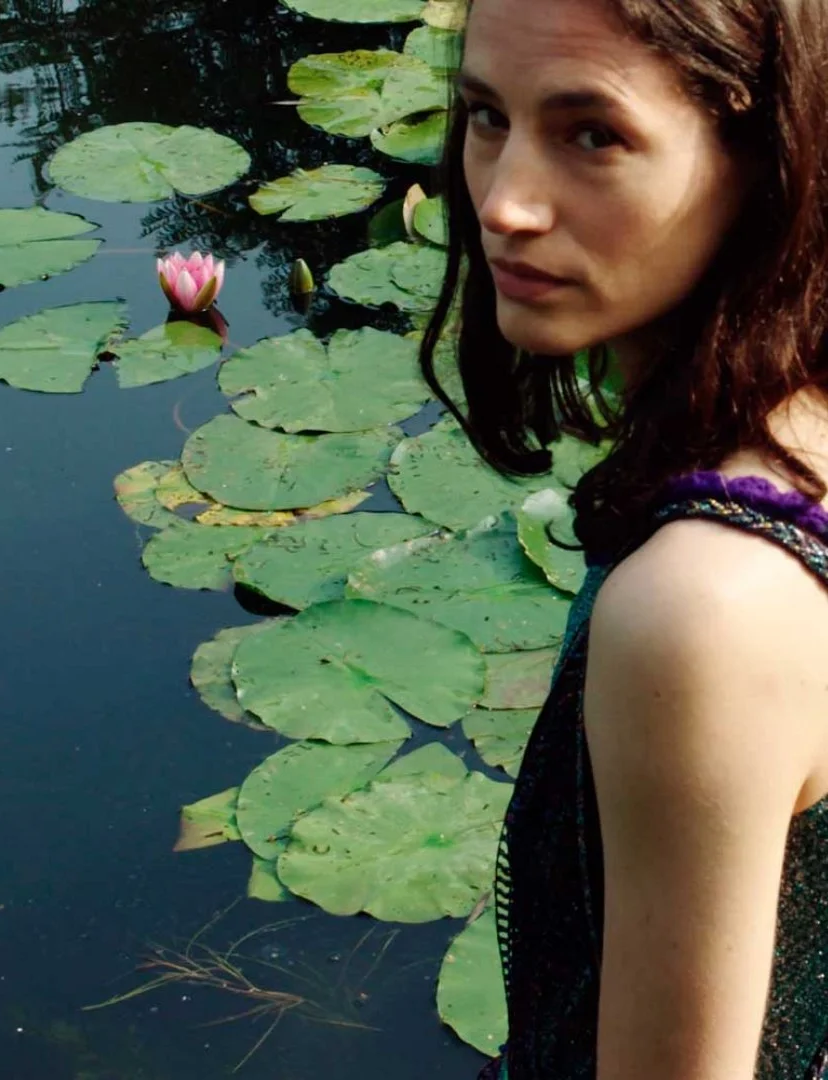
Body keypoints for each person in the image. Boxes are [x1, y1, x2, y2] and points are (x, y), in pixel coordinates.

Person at [418, 0, 828, 1076]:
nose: (504, 205)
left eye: (593, 133)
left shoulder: (702, 610)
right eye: (484, 116)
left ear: (768, 159)